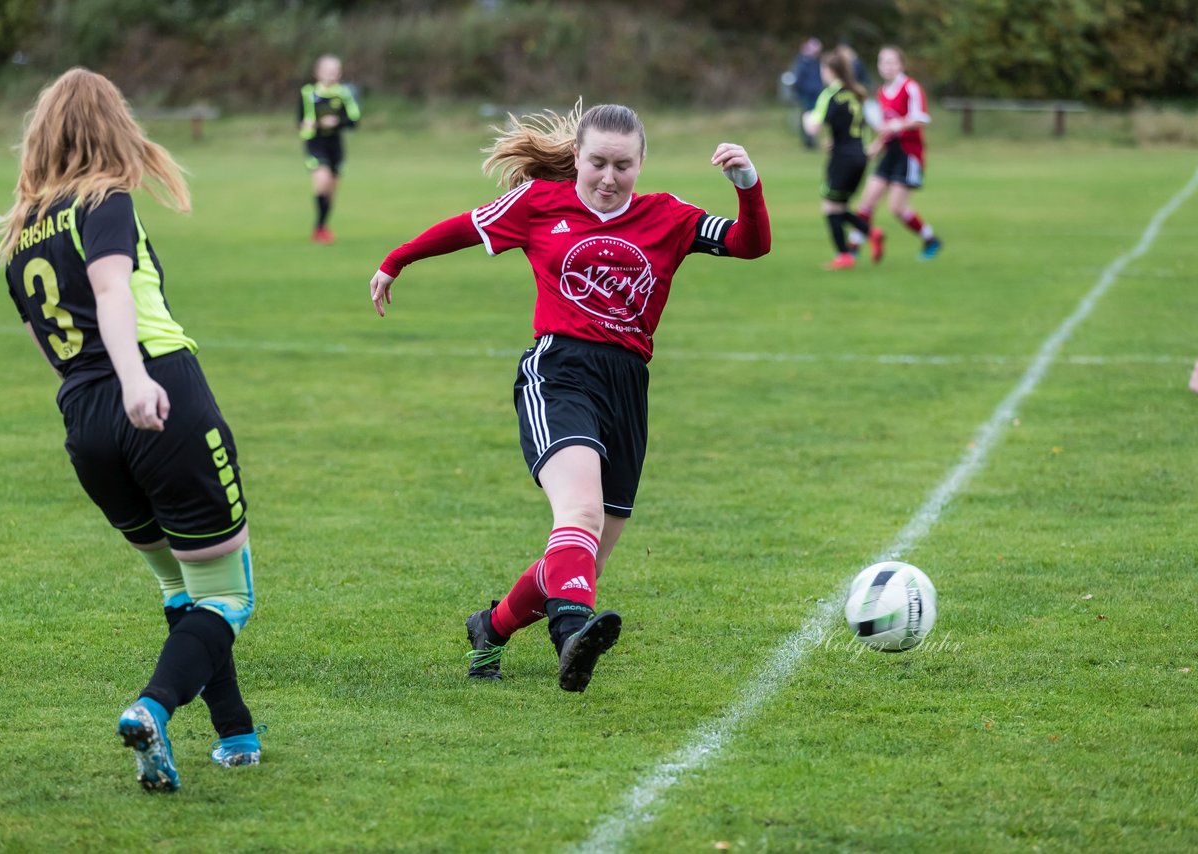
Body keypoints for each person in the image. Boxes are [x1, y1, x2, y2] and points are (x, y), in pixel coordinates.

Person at [367, 102, 771, 692]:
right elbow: (465, 226)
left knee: (585, 558)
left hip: (628, 388)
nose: (609, 178)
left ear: (641, 164)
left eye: (623, 166)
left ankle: (492, 626)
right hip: (558, 373)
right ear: (576, 158)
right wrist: (396, 261)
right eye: (598, 163)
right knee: (577, 516)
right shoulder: (540, 204)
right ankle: (572, 635)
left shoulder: (669, 217)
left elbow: (749, 245)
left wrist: (747, 185)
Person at [0, 67, 262, 792]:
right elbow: (112, 292)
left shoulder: (19, 236)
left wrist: (104, 400)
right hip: (156, 394)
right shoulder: (103, 201)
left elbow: (48, 348)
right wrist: (138, 379)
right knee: (228, 596)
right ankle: (152, 707)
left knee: (182, 588)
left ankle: (236, 735)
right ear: (113, 127)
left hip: (85, 423)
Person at [855, 45, 943, 260]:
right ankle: (852, 248)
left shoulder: (910, 87)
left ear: (901, 65)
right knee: (867, 201)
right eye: (882, 62)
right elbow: (886, 129)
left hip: (909, 153)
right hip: (890, 152)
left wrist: (897, 125)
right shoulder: (882, 92)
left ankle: (930, 239)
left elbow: (921, 118)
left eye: (891, 62)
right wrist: (876, 147)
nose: (887, 66)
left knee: (897, 208)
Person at [803, 47, 880, 270]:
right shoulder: (857, 93)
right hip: (860, 157)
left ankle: (844, 255)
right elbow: (864, 128)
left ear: (829, 70)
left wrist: (806, 117)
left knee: (830, 207)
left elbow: (813, 128)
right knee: (840, 206)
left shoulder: (831, 94)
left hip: (842, 159)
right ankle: (870, 233)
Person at [298, 54, 361, 244]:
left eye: (335, 71)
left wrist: (336, 122)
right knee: (322, 181)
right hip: (316, 144)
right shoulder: (308, 93)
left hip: (335, 145)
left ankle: (321, 227)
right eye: (328, 71)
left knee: (331, 190)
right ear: (318, 73)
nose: (332, 75)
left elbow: (353, 121)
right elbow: (301, 121)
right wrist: (313, 124)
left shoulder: (343, 93)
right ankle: (320, 227)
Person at [791, 38, 824, 150]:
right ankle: (808, 141)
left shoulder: (814, 61)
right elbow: (798, 79)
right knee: (807, 116)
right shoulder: (803, 62)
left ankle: (811, 140)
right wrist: (802, 91)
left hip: (815, 93)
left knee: (813, 117)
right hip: (807, 94)